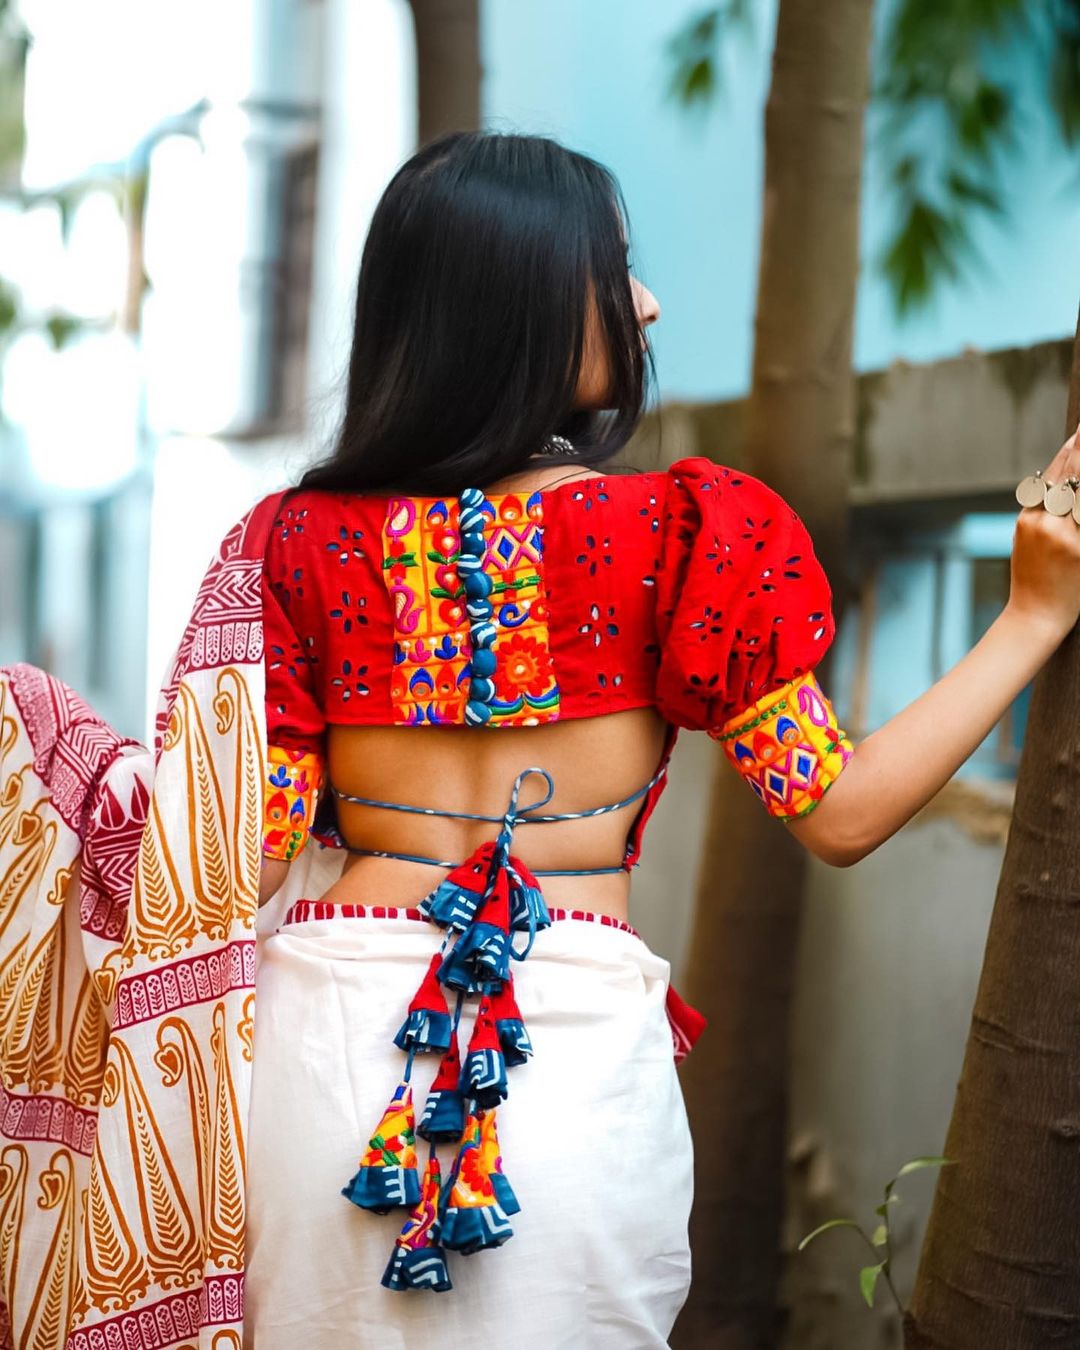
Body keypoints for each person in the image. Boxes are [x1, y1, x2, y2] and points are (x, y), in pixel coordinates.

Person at [3, 130, 1080, 1350]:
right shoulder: (686, 540)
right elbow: (844, 812)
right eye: (615, 271)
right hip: (571, 1076)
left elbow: (226, 869)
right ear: (516, 304)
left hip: (319, 1069)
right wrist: (1031, 616)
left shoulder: (288, 549)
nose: (648, 303)